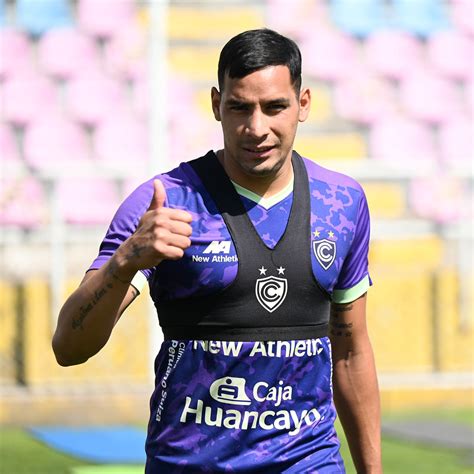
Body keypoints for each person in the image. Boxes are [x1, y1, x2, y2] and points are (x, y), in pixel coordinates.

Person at [53, 28, 382, 473]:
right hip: (191, 463)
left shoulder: (342, 203)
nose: (256, 128)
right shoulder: (166, 201)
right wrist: (125, 260)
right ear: (215, 105)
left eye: (275, 107)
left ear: (303, 105)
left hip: (307, 461)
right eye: (239, 107)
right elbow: (69, 347)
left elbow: (349, 351)